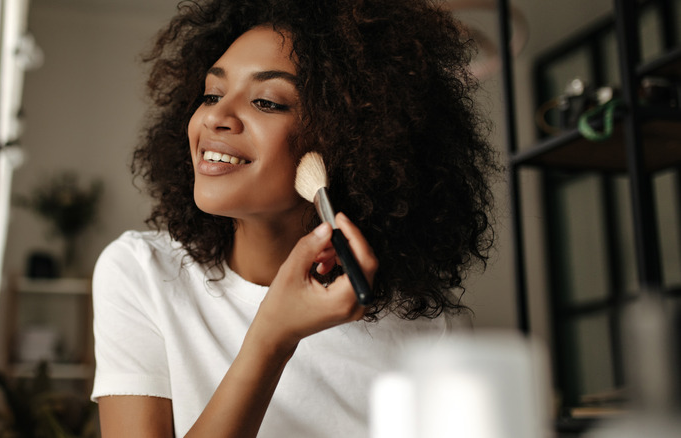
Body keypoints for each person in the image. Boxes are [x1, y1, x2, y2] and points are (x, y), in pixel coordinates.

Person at [91, 0, 499, 436]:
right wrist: (271, 338)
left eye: (266, 102)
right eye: (212, 94)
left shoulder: (425, 331)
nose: (216, 116)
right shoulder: (143, 273)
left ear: (353, 141)